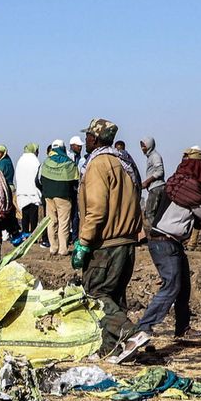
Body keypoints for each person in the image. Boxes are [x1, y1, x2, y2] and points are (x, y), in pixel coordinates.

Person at [118, 146, 201, 360]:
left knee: (183, 285)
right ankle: (143, 328)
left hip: (169, 242)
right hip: (165, 242)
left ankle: (182, 327)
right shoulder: (190, 188)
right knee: (172, 285)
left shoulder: (176, 182)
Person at [74, 118, 144, 349]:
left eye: (88, 137)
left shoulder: (98, 164)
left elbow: (96, 208)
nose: (85, 141)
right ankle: (111, 348)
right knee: (114, 297)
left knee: (96, 294)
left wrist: (84, 242)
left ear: (94, 138)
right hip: (127, 241)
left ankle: (130, 334)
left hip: (106, 242)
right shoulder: (126, 162)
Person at [40, 140, 78, 255]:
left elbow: (40, 180)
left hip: (49, 196)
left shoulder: (46, 162)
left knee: (51, 222)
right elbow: (75, 180)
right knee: (63, 222)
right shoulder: (69, 163)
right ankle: (63, 249)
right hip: (63, 196)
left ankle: (53, 247)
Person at [15, 143, 43, 237]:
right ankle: (33, 235)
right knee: (33, 215)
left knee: (25, 214)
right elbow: (38, 176)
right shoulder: (35, 160)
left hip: (22, 191)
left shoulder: (21, 160)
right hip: (33, 191)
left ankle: (25, 233)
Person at [140, 137, 165, 223]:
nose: (142, 149)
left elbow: (160, 171)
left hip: (156, 188)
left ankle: (154, 233)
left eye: (144, 146)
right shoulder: (150, 157)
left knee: (149, 213)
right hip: (155, 188)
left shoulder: (155, 156)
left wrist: (147, 182)